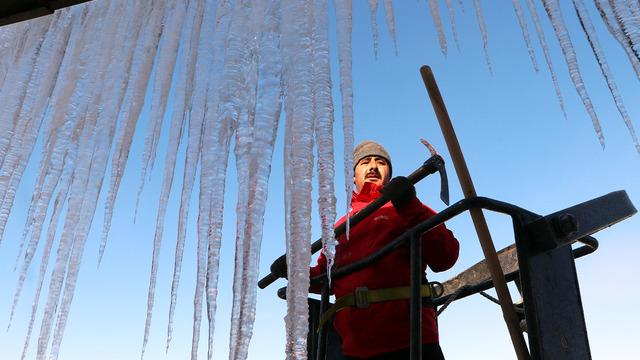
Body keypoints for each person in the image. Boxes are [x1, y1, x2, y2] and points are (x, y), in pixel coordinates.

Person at [310, 140, 459, 359]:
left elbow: (446, 257)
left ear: (388, 173)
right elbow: (324, 279)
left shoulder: (409, 208)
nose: (372, 166)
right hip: (353, 350)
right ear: (353, 176)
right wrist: (295, 271)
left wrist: (409, 205)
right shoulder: (339, 228)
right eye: (364, 162)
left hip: (411, 342)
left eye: (380, 162)